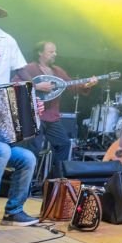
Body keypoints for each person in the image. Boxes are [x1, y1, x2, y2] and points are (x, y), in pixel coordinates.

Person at [0, 35, 39, 235]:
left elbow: (4, 119)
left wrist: (34, 109)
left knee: (26, 157)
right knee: (1, 150)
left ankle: (13, 212)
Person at [13, 41, 97, 178]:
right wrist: (36, 86)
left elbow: (71, 86)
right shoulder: (28, 68)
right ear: (40, 53)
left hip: (51, 116)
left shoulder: (57, 71)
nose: (55, 54)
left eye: (55, 52)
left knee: (64, 144)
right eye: (51, 52)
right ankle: (24, 184)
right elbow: (15, 84)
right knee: (33, 149)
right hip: (34, 116)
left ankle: (54, 182)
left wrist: (86, 85)